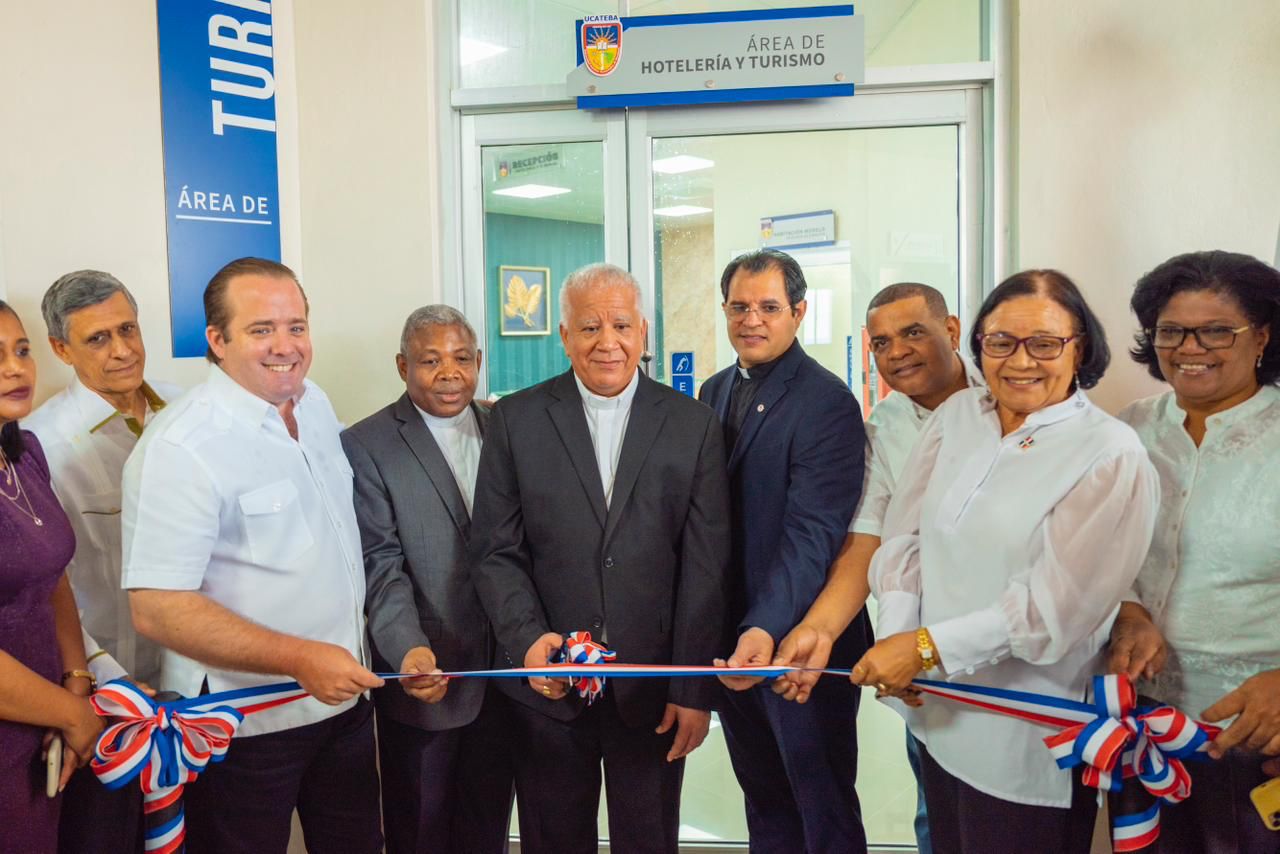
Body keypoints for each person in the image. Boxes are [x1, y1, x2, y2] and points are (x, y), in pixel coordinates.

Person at [854, 270, 1159, 853]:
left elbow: (1051, 613)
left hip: (1024, 739)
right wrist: (898, 638)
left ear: (1081, 348)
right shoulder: (958, 416)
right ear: (978, 346)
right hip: (939, 717)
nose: (1021, 361)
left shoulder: (1109, 454)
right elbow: (904, 538)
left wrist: (921, 649)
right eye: (1001, 342)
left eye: (1044, 343)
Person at [123, 258, 384, 854]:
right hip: (242, 728)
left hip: (341, 706)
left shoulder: (313, 403)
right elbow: (158, 610)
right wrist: (298, 657)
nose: (285, 347)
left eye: (296, 326)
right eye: (262, 329)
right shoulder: (181, 448)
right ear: (217, 341)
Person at [470, 262, 730, 854]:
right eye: (589, 327)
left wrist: (691, 687)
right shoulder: (516, 419)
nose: (606, 342)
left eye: (620, 325)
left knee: (649, 839)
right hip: (549, 683)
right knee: (553, 839)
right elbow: (494, 549)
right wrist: (528, 638)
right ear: (564, 336)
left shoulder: (693, 423)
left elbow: (706, 566)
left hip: (653, 686)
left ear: (643, 331)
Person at [771, 282, 984, 854]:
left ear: (953, 329)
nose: (897, 352)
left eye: (913, 332)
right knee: (938, 816)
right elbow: (865, 542)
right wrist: (817, 633)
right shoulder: (885, 427)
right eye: (881, 342)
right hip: (926, 657)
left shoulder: (1012, 397)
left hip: (1021, 656)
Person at [1107, 250, 1280, 852]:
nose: (1190, 347)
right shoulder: (1125, 431)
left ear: (1261, 336)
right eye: (1172, 331)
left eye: (1216, 331)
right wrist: (1128, 609)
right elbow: (1096, 551)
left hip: (1260, 730)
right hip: (1143, 718)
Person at [700, 249, 869, 852]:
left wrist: (764, 626)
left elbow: (812, 535)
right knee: (764, 799)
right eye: (740, 307)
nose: (753, 319)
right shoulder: (714, 390)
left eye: (769, 307)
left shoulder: (827, 401)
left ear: (798, 313)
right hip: (733, 645)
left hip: (800, 644)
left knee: (820, 803)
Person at [342, 305, 514, 854]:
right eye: (430, 360)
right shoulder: (367, 444)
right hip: (426, 677)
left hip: (506, 678)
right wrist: (408, 650)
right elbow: (380, 564)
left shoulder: (505, 428)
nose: (449, 373)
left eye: (462, 358)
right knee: (421, 831)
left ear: (479, 362)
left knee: (486, 829)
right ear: (402, 366)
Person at [26, 270, 181, 854]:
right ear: (61, 349)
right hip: (111, 702)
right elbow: (49, 585)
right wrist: (113, 684)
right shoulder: (40, 442)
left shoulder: (186, 409)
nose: (122, 350)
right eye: (97, 339)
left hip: (197, 690)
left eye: (129, 329)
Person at [0, 299, 104, 852]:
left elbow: (53, 576)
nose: (17, 368)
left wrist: (76, 682)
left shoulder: (24, 452)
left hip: (43, 727)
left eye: (22, 350)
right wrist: (72, 714)